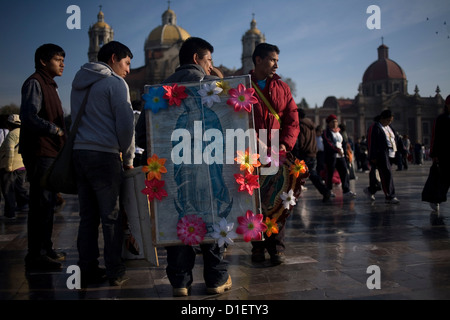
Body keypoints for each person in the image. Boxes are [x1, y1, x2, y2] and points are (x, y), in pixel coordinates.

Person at [136, 37, 232, 297]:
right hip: (210, 169)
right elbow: (234, 128)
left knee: (178, 215)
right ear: (196, 59)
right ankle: (216, 278)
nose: (211, 66)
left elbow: (143, 136)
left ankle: (180, 281)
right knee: (210, 214)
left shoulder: (159, 91)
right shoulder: (216, 88)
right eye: (209, 60)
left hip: (172, 171)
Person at [71, 41, 135, 286]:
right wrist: (128, 158)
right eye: (126, 63)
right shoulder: (116, 84)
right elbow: (126, 125)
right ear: (112, 58)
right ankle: (115, 269)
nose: (128, 69)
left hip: (80, 154)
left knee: (87, 217)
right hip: (104, 155)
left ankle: (86, 268)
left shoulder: (78, 84)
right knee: (111, 216)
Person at [249, 43, 299, 265]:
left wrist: (285, 144)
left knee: (279, 200)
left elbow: (292, 119)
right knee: (254, 202)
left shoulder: (282, 87)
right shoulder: (241, 86)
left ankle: (277, 247)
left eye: (277, 60)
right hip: (251, 155)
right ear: (258, 60)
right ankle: (257, 246)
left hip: (278, 153)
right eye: (272, 59)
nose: (276, 64)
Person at [19, 43, 67, 270]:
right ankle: (36, 254)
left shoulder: (50, 85)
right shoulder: (35, 83)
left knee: (47, 204)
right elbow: (29, 116)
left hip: (49, 151)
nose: (62, 64)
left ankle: (46, 249)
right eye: (58, 60)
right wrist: (55, 130)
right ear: (43, 62)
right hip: (40, 151)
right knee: (41, 204)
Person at [292, 108, 330, 202]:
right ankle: (325, 191)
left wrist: (297, 151)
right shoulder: (311, 125)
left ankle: (325, 191)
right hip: (312, 153)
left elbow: (301, 141)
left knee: (298, 175)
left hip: (304, 154)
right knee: (311, 174)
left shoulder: (301, 125)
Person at [364, 109, 400, 204]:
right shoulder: (375, 127)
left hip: (390, 154)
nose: (390, 122)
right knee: (386, 175)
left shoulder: (389, 127)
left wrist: (402, 150)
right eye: (388, 120)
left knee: (383, 176)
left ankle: (371, 190)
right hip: (381, 154)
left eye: (391, 120)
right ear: (382, 118)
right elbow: (371, 142)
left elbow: (395, 138)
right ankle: (390, 196)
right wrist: (372, 156)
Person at [0, 114, 29, 219]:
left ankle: (9, 213)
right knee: (19, 187)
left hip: (11, 166)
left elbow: (10, 150)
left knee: (8, 191)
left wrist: (8, 167)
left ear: (9, 124)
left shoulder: (12, 134)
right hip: (22, 166)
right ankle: (23, 205)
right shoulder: (24, 133)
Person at [424, 95, 450, 211]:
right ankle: (435, 199)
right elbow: (435, 137)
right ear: (447, 105)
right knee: (444, 179)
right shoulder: (441, 119)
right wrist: (434, 154)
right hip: (445, 154)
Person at [322, 114, 357, 199]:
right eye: (333, 122)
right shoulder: (326, 132)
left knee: (344, 172)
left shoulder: (339, 132)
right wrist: (337, 150)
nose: (335, 123)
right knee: (330, 174)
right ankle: (329, 190)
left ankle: (346, 190)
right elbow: (328, 143)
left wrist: (345, 153)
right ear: (329, 123)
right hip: (332, 156)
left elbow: (344, 143)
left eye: (336, 122)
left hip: (341, 156)